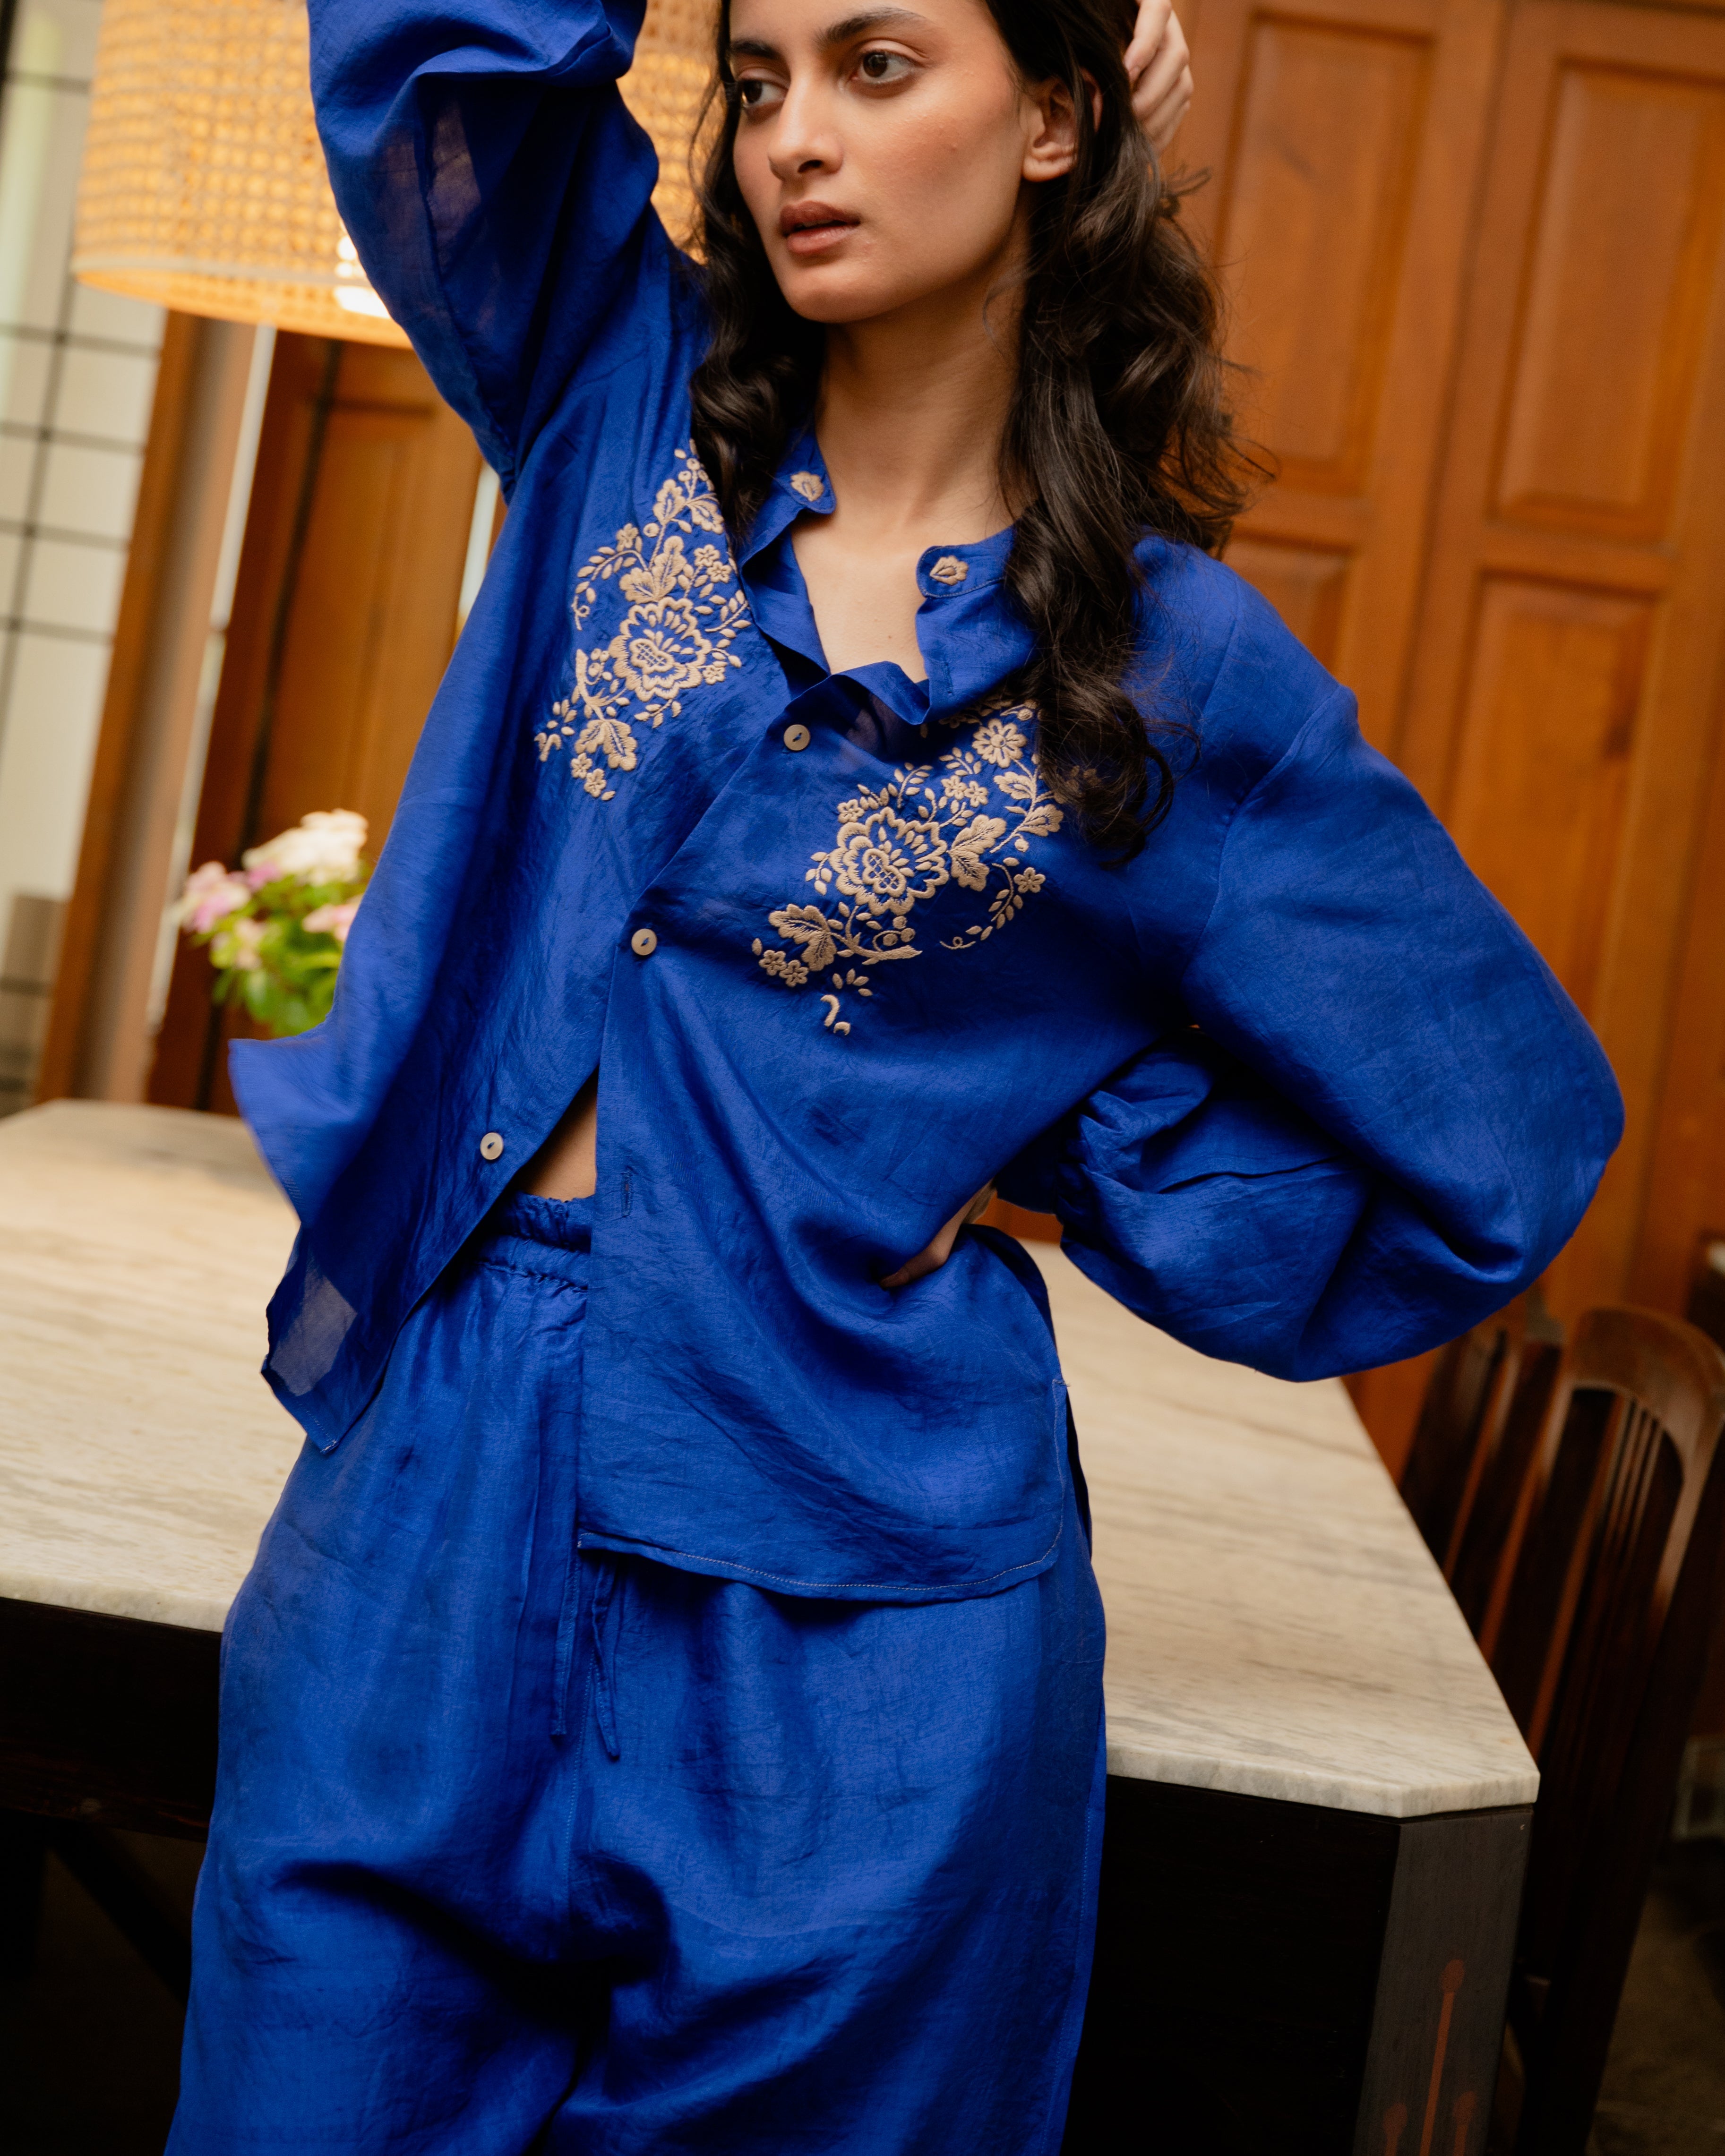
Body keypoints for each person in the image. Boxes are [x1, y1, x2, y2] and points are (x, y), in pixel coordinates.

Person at [166, 0, 1621, 2147]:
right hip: (424, 1517)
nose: (792, 142)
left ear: (1052, 117)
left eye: (876, 65)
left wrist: (1061, 1140)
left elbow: (1503, 1137)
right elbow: (434, 47)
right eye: (758, 81)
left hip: (867, 1632)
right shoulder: (615, 387)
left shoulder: (1172, 676)